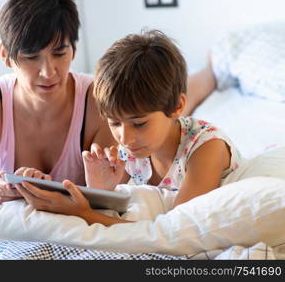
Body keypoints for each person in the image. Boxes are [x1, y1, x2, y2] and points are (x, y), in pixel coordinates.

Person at [14, 30, 243, 226]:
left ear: (177, 106)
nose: (124, 137)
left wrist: (81, 212)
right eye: (114, 122)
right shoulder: (132, 154)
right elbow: (117, 217)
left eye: (139, 123)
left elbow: (174, 231)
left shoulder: (205, 149)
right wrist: (100, 190)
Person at [0, 0, 115, 208]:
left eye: (59, 53)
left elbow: (109, 201)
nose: (48, 72)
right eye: (31, 57)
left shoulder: (97, 100)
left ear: (74, 50)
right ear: (5, 55)